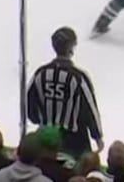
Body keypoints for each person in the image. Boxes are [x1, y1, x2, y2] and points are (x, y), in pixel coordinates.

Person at [24, 28, 102, 157]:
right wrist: (97, 136)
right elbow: (89, 107)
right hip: (74, 140)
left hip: (46, 134)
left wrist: (38, 119)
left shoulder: (41, 73)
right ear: (72, 47)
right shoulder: (78, 77)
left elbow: (29, 99)